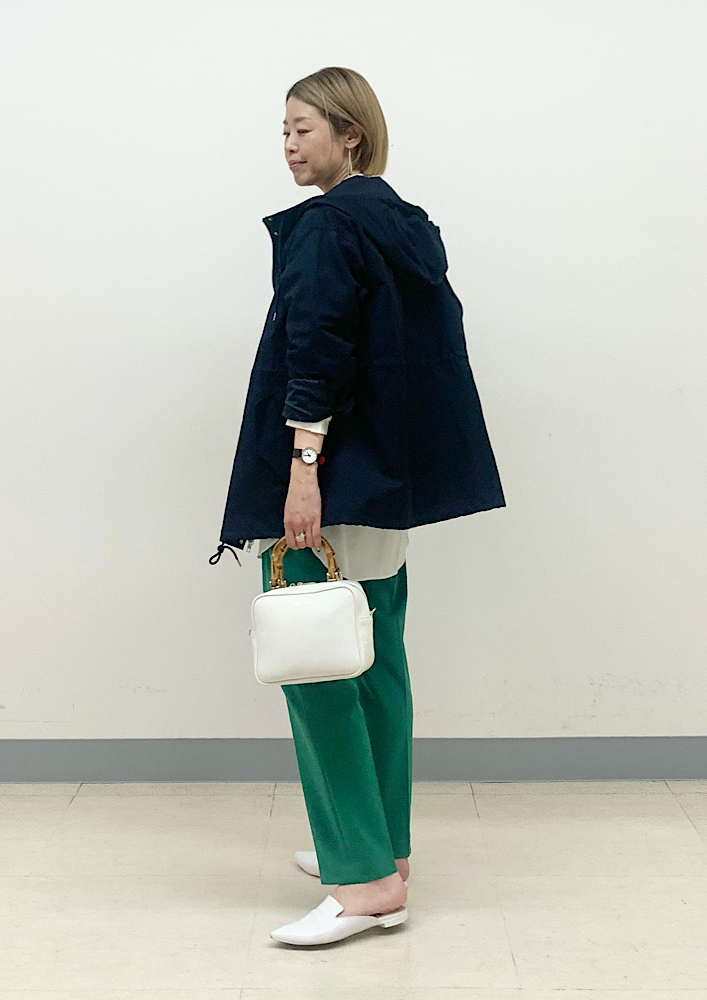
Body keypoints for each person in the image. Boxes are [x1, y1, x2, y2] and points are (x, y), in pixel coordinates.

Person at [209, 66, 506, 945]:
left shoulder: (327, 226)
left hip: (332, 479)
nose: (289, 144)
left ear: (352, 135)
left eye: (304, 128)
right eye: (284, 129)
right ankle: (385, 850)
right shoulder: (401, 223)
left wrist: (302, 468)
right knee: (376, 663)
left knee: (317, 670)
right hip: (384, 486)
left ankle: (364, 881)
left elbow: (319, 349)